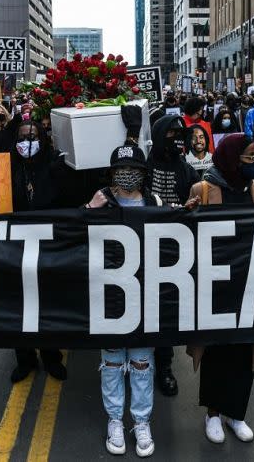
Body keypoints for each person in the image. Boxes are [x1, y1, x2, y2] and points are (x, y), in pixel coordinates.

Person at [186, 134, 254, 446]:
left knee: (245, 351)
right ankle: (214, 413)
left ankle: (236, 413)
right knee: (217, 351)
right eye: (249, 158)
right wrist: (187, 212)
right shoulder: (202, 190)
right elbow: (184, 234)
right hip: (215, 287)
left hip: (248, 285)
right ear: (232, 158)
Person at [85, 144, 160, 457]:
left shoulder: (154, 201)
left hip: (144, 298)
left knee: (142, 363)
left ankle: (141, 421)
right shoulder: (100, 200)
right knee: (113, 362)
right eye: (120, 170)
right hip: (110, 299)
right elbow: (74, 238)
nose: (127, 176)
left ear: (143, 174)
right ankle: (115, 419)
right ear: (111, 173)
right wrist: (90, 209)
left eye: (133, 170)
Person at [8, 120, 69, 384]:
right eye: (22, 137)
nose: (27, 142)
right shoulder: (7, 167)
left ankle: (51, 357)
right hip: (14, 247)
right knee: (17, 307)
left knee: (47, 305)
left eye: (32, 137)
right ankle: (25, 359)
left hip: (47, 246)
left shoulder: (53, 165)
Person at [144, 115, 199, 396]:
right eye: (171, 134)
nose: (177, 139)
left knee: (164, 314)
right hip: (141, 249)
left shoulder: (187, 171)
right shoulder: (144, 166)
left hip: (172, 255)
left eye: (181, 134)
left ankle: (164, 367)